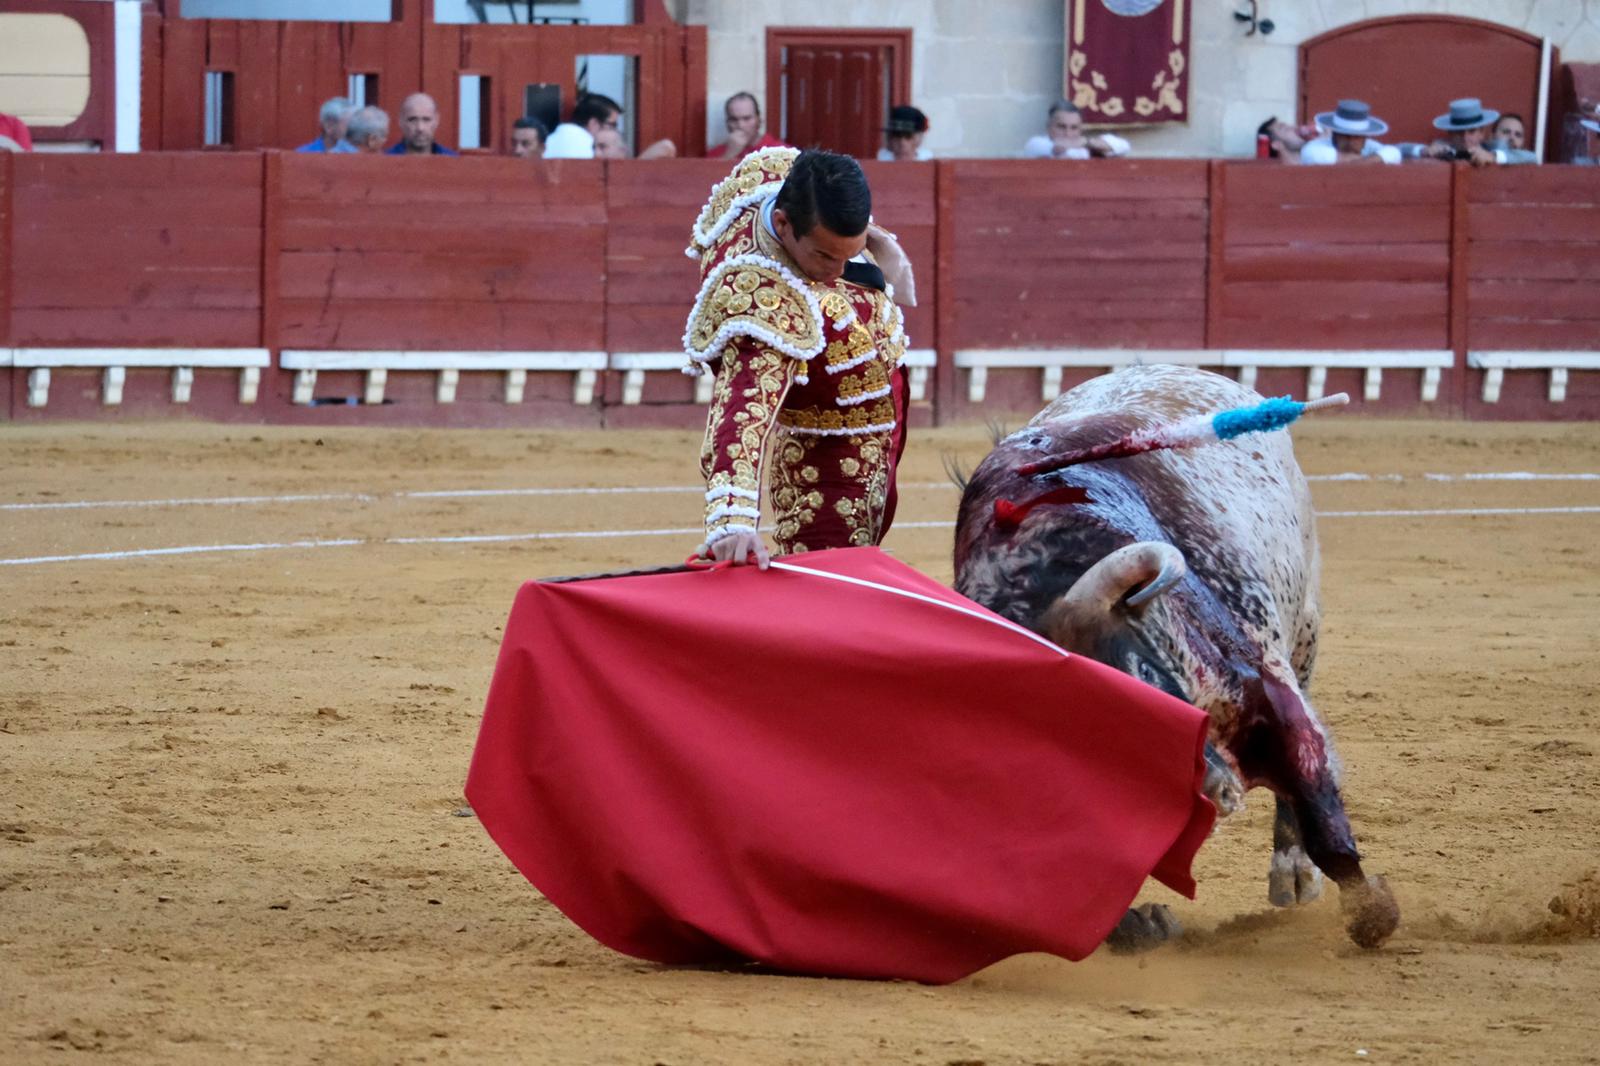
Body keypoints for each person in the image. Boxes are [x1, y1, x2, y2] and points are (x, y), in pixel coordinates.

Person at [683, 148, 917, 567]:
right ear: (782, 224)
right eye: (826, 256)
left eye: (850, 254)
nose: (839, 269)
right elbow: (743, 409)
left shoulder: (774, 177)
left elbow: (822, 182)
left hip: (870, 395)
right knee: (833, 572)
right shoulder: (761, 299)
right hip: (830, 444)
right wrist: (732, 518)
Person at [1299, 100, 1400, 165]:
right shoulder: (1314, 148)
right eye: (1346, 136)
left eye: (1356, 137)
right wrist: (1373, 160)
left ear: (1365, 139)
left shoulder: (1371, 146)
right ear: (1335, 135)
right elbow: (1313, 155)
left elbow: (1394, 153)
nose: (1351, 141)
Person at [1023, 100, 1130, 159]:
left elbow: (1124, 146)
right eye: (1061, 126)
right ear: (1049, 127)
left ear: (1080, 129)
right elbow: (1061, 150)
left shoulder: (1085, 145)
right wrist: (1087, 146)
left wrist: (1087, 142)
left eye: (1074, 128)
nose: (1067, 133)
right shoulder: (1036, 144)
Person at [1418, 98, 1504, 166]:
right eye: (1459, 132)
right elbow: (1405, 148)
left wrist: (1493, 156)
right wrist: (1423, 150)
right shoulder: (1442, 148)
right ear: (1450, 133)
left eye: (1471, 131)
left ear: (1482, 133)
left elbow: (1516, 154)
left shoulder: (1492, 148)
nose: (1465, 138)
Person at [706, 92, 788, 160]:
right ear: (727, 122)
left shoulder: (781, 150)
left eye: (747, 118)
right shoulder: (716, 154)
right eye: (734, 119)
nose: (740, 125)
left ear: (759, 120)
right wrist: (730, 154)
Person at [544, 93, 622, 159]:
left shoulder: (547, 141)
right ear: (594, 124)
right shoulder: (592, 150)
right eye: (612, 125)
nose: (615, 130)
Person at [386, 93, 457, 156]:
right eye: (412, 120)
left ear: (437, 120)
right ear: (401, 121)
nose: (420, 128)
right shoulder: (385, 161)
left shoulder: (453, 160)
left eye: (426, 120)